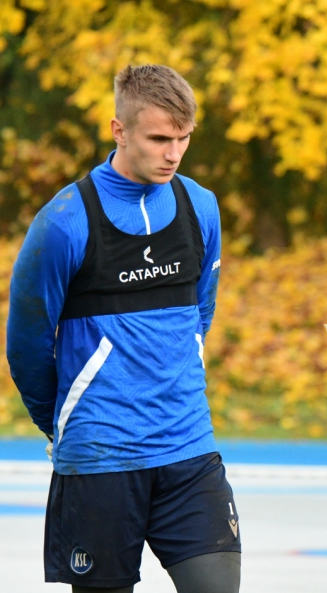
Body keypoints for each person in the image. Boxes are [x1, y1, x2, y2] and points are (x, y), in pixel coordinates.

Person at [7, 64, 240, 593]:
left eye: (183, 138)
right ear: (120, 131)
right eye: (159, 139)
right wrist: (64, 426)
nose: (174, 153)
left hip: (188, 449)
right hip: (101, 458)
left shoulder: (200, 207)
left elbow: (200, 313)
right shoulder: (64, 222)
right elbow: (26, 346)